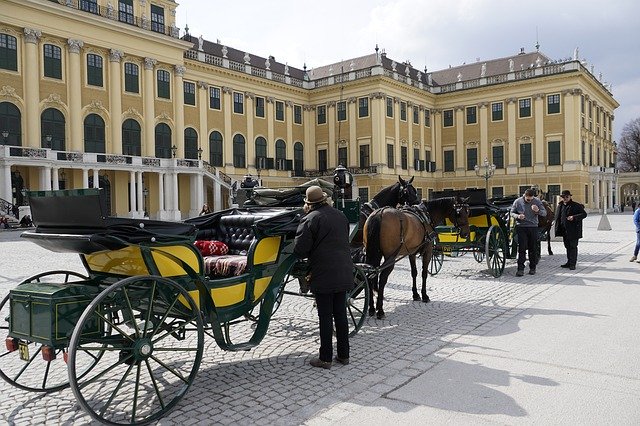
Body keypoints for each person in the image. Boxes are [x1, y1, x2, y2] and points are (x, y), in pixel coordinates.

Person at [293, 185, 353, 369]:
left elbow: (300, 249)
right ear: (324, 199)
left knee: (325, 315)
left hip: (323, 273)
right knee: (340, 314)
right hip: (343, 269)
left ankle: (325, 358)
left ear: (309, 204)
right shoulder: (341, 215)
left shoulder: (310, 219)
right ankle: (344, 355)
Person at [511, 188, 547, 276]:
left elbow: (544, 213)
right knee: (522, 248)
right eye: (528, 199)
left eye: (531, 199)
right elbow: (511, 212)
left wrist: (537, 211)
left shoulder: (537, 201)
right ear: (525, 195)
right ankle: (520, 269)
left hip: (533, 227)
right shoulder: (518, 201)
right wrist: (518, 216)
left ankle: (532, 268)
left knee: (533, 248)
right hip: (521, 227)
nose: (529, 201)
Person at [554, 190, 588, 270]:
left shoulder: (576, 205)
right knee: (567, 247)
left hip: (573, 230)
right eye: (563, 197)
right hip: (564, 230)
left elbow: (584, 214)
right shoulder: (560, 205)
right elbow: (558, 217)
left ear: (570, 197)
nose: (565, 198)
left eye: (567, 197)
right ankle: (569, 262)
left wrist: (574, 217)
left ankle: (573, 264)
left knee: (573, 247)